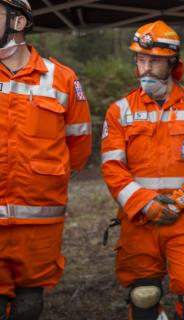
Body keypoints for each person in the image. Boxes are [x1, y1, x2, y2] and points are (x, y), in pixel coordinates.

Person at [101, 20, 184, 320]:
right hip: (138, 220)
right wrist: (146, 204)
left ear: (173, 62)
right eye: (140, 59)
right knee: (144, 295)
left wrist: (181, 199)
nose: (145, 68)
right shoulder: (120, 110)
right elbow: (113, 168)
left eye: (154, 60)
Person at [0, 0, 92, 318]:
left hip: (39, 219)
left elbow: (79, 145)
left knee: (29, 302)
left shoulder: (62, 79)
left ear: (18, 23)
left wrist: (46, 177)